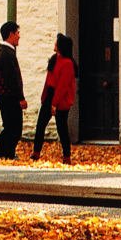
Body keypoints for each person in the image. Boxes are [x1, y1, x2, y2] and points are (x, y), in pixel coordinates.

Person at [32, 32, 76, 163]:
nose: (55, 45)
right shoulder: (54, 59)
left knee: (61, 127)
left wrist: (55, 103)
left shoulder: (67, 63)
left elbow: (63, 85)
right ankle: (36, 152)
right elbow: (49, 79)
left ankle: (66, 155)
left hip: (60, 98)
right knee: (40, 125)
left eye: (57, 43)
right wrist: (45, 97)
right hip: (50, 94)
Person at [0, 21, 26, 159]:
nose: (19, 36)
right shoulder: (7, 54)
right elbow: (12, 79)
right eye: (17, 33)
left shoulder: (0, 52)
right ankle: (4, 153)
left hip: (3, 96)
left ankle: (4, 152)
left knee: (9, 126)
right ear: (10, 34)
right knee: (14, 128)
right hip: (10, 97)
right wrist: (21, 98)